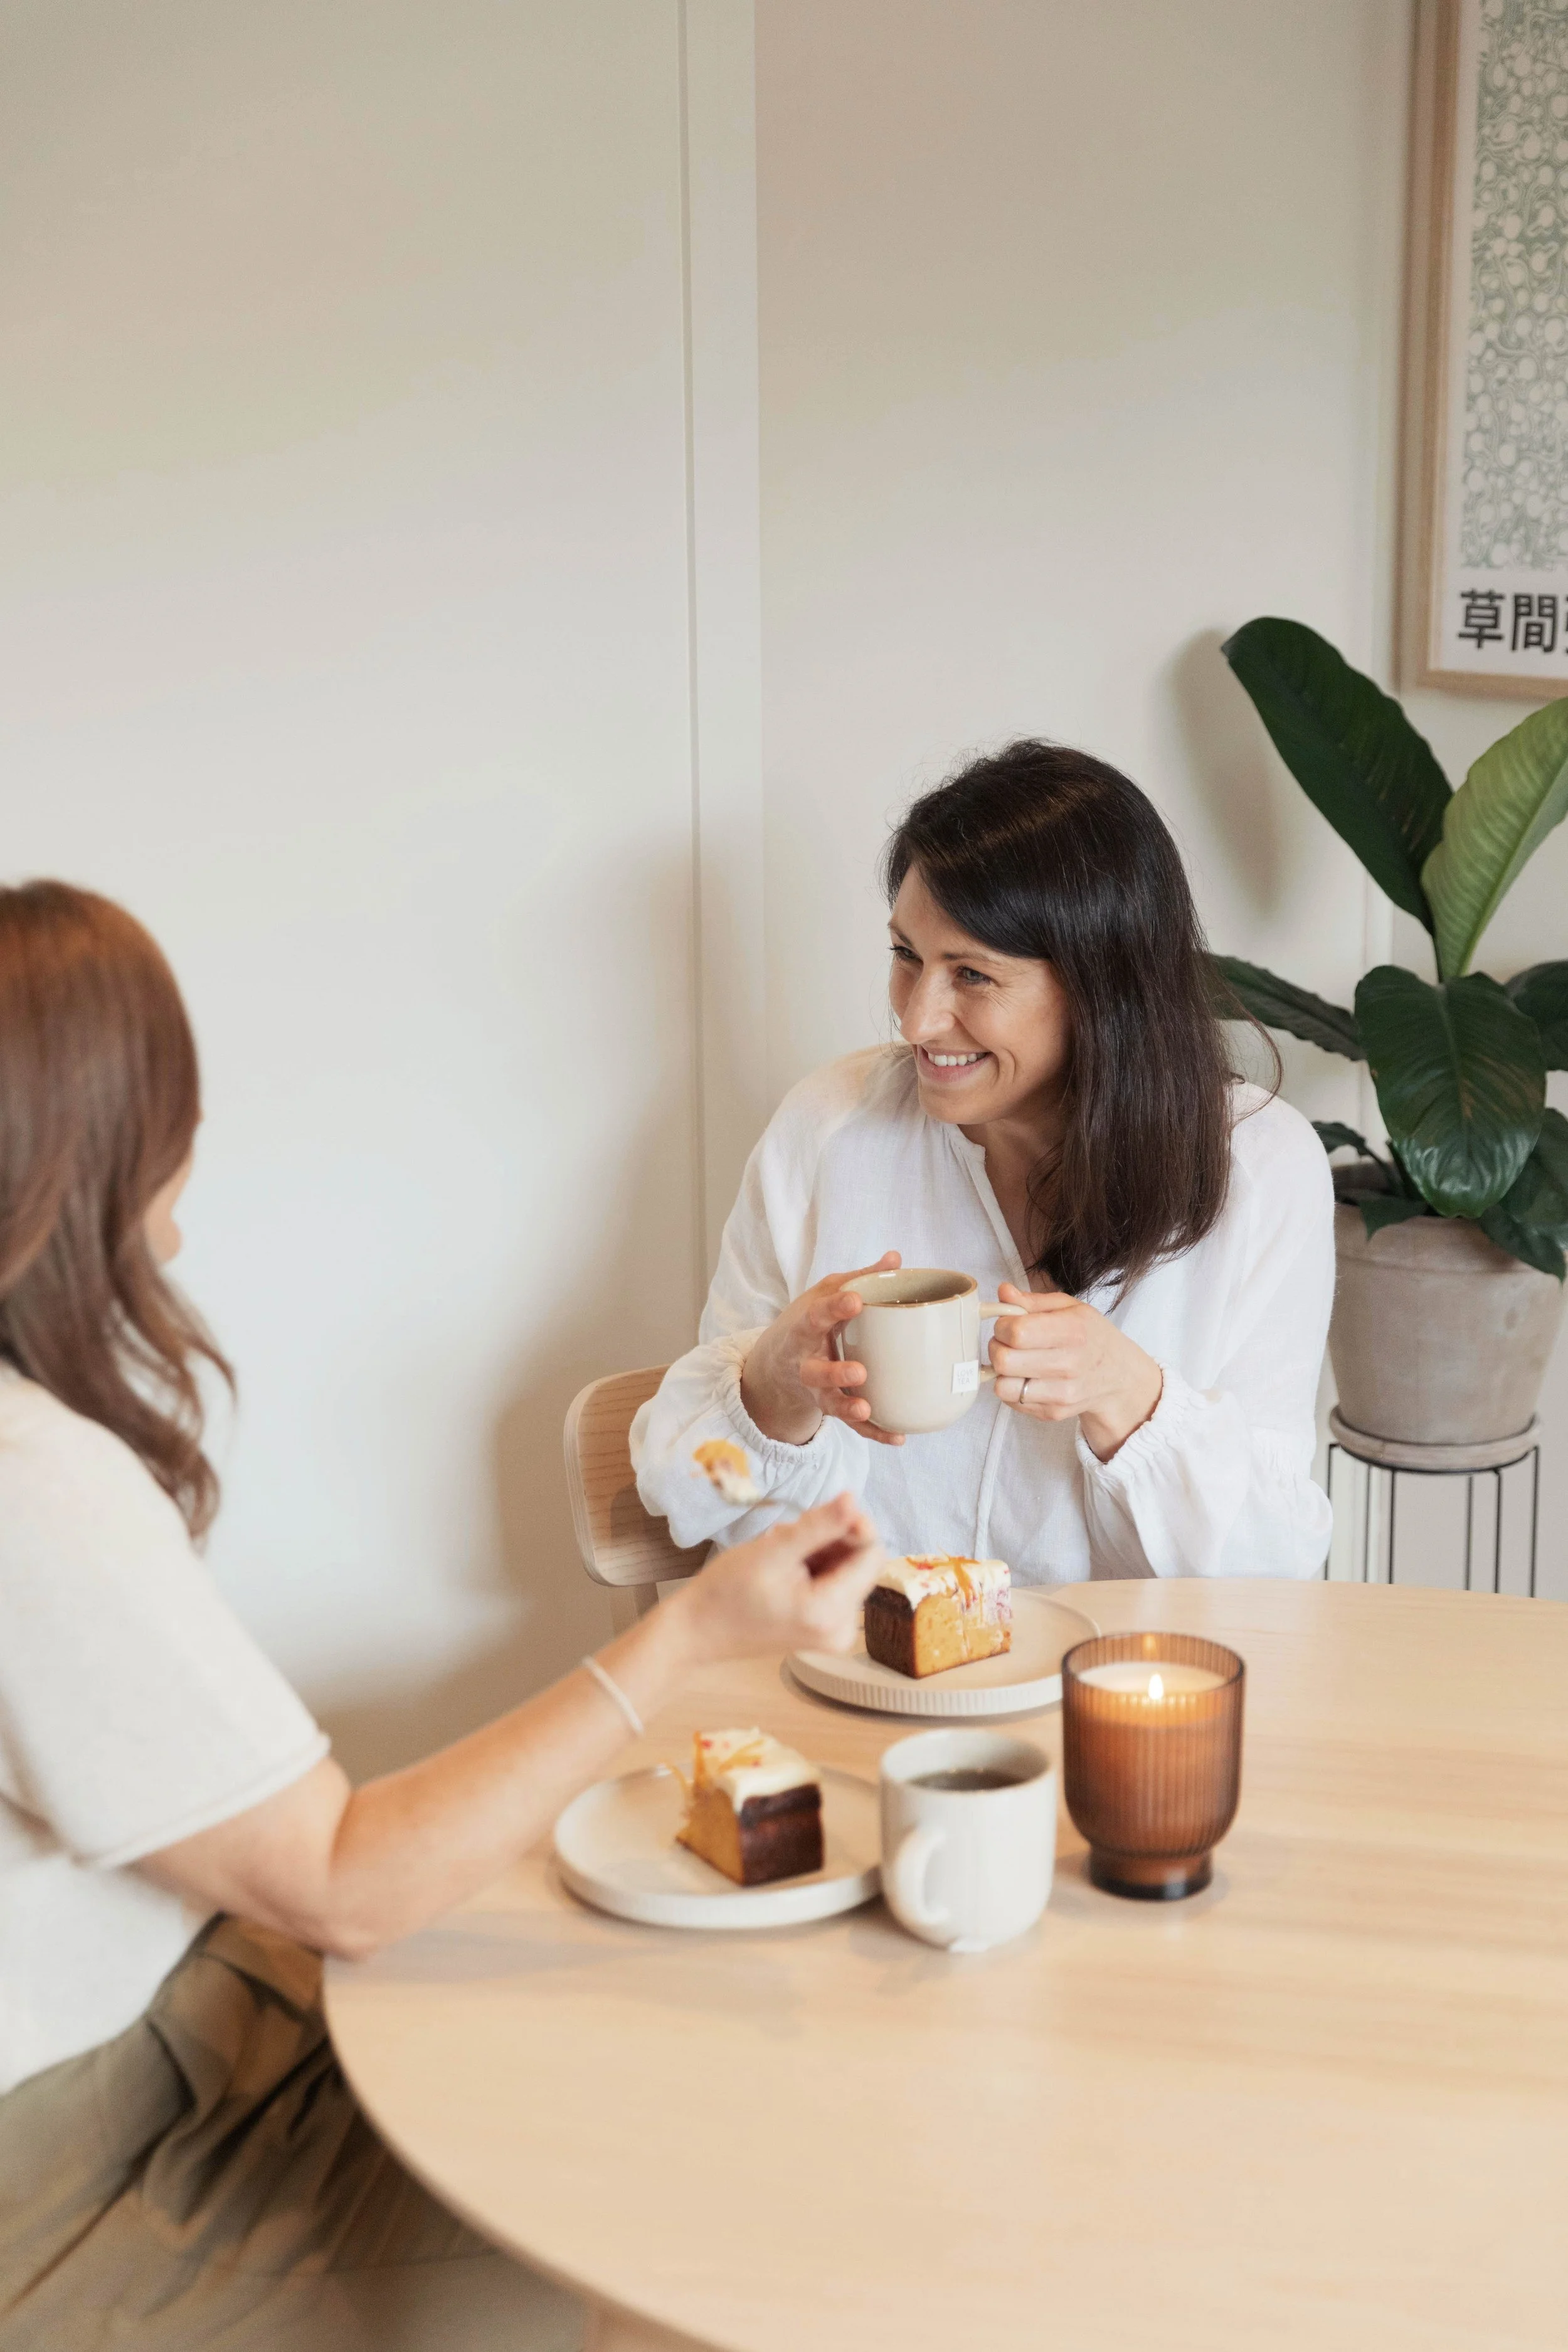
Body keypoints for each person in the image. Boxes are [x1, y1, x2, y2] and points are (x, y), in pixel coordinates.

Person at [0, 881, 886, 2351]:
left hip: (181, 2000)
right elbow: (343, 1880)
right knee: (684, 2169)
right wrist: (682, 1637)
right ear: (103, 1141)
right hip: (99, 2161)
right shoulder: (37, 1490)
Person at [635, 739, 1335, 1583]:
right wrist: (769, 1389)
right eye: (906, 957)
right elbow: (688, 1494)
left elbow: (1276, 1564)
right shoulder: (828, 1130)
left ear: (1101, 989)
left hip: (1110, 1695)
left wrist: (1132, 1399)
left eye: (971, 974)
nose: (919, 1019)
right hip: (850, 1677)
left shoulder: (1260, 1170)